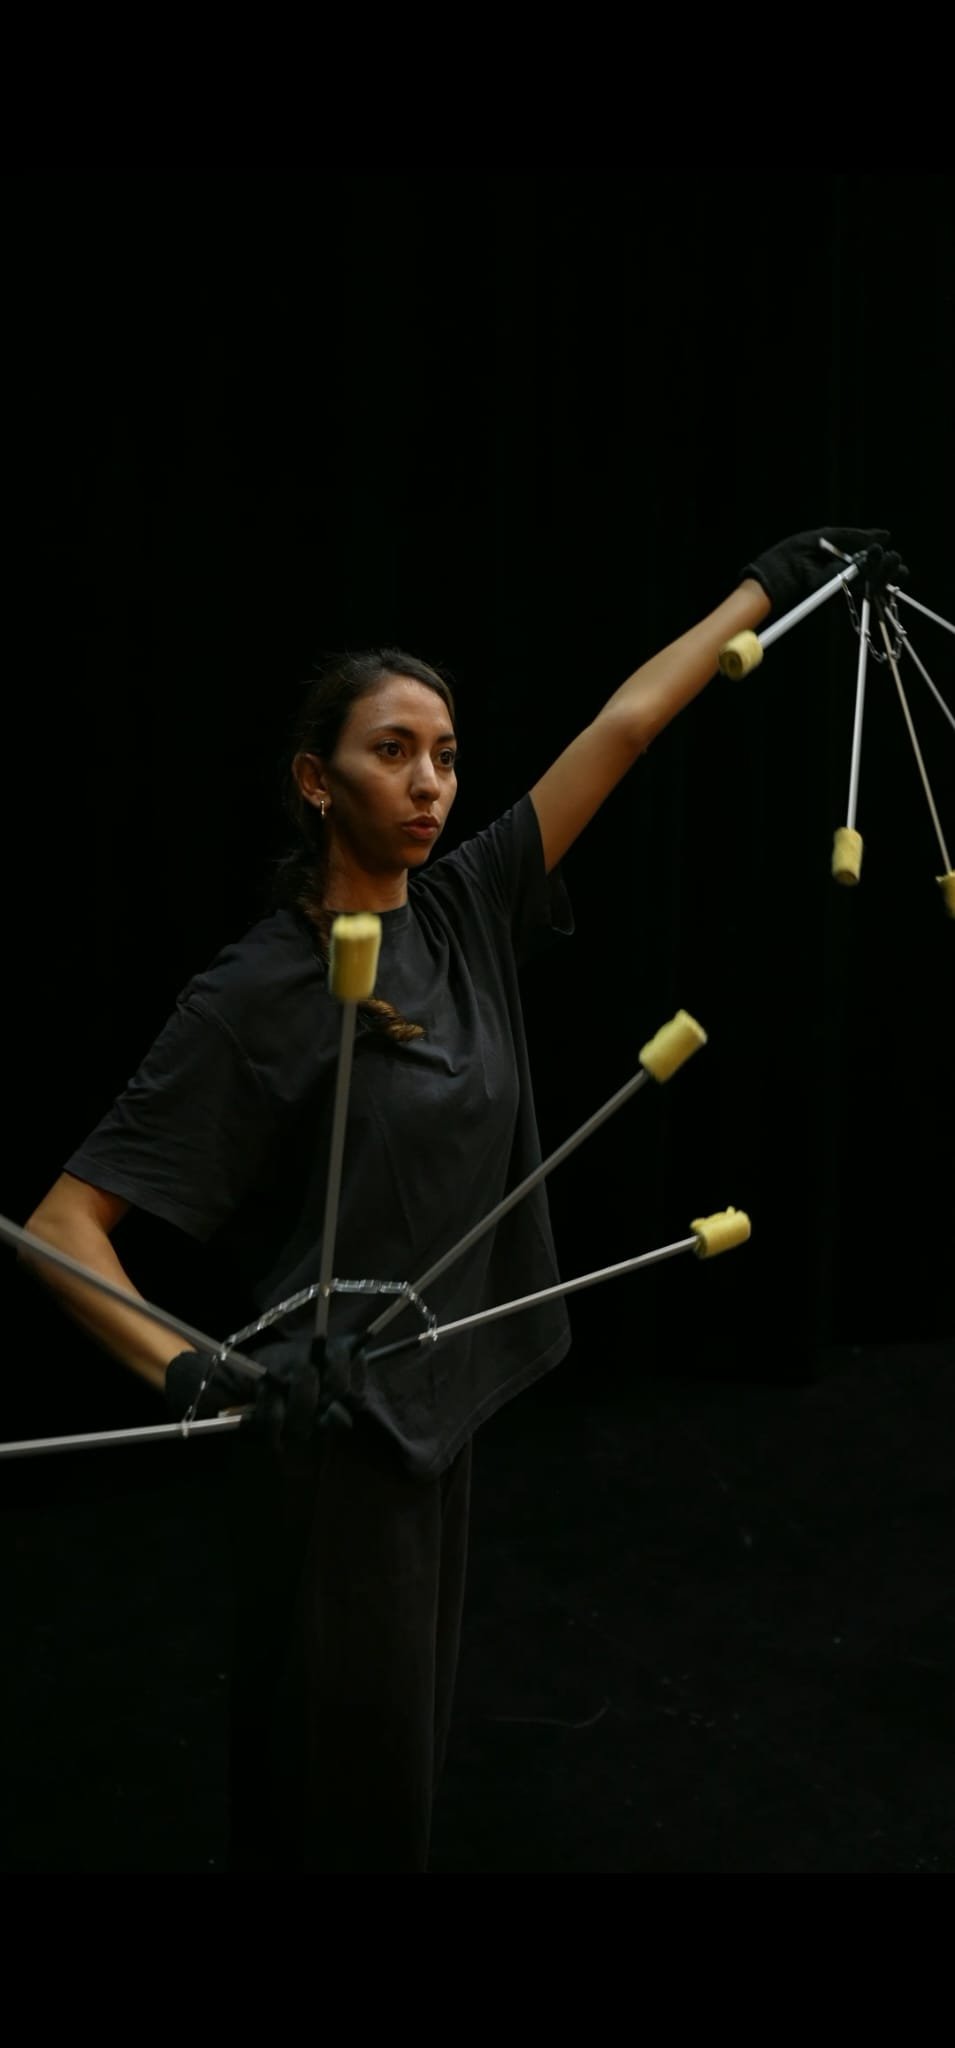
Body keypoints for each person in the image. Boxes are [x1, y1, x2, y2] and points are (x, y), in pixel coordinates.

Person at [21, 525, 889, 1874]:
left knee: (385, 1770)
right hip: (331, 1426)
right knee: (336, 1782)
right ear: (315, 781)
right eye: (390, 753)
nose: (428, 783)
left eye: (446, 755)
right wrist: (202, 1379)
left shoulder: (464, 908)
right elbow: (62, 1229)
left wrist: (780, 582)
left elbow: (630, 724)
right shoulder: (255, 994)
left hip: (428, 1411)